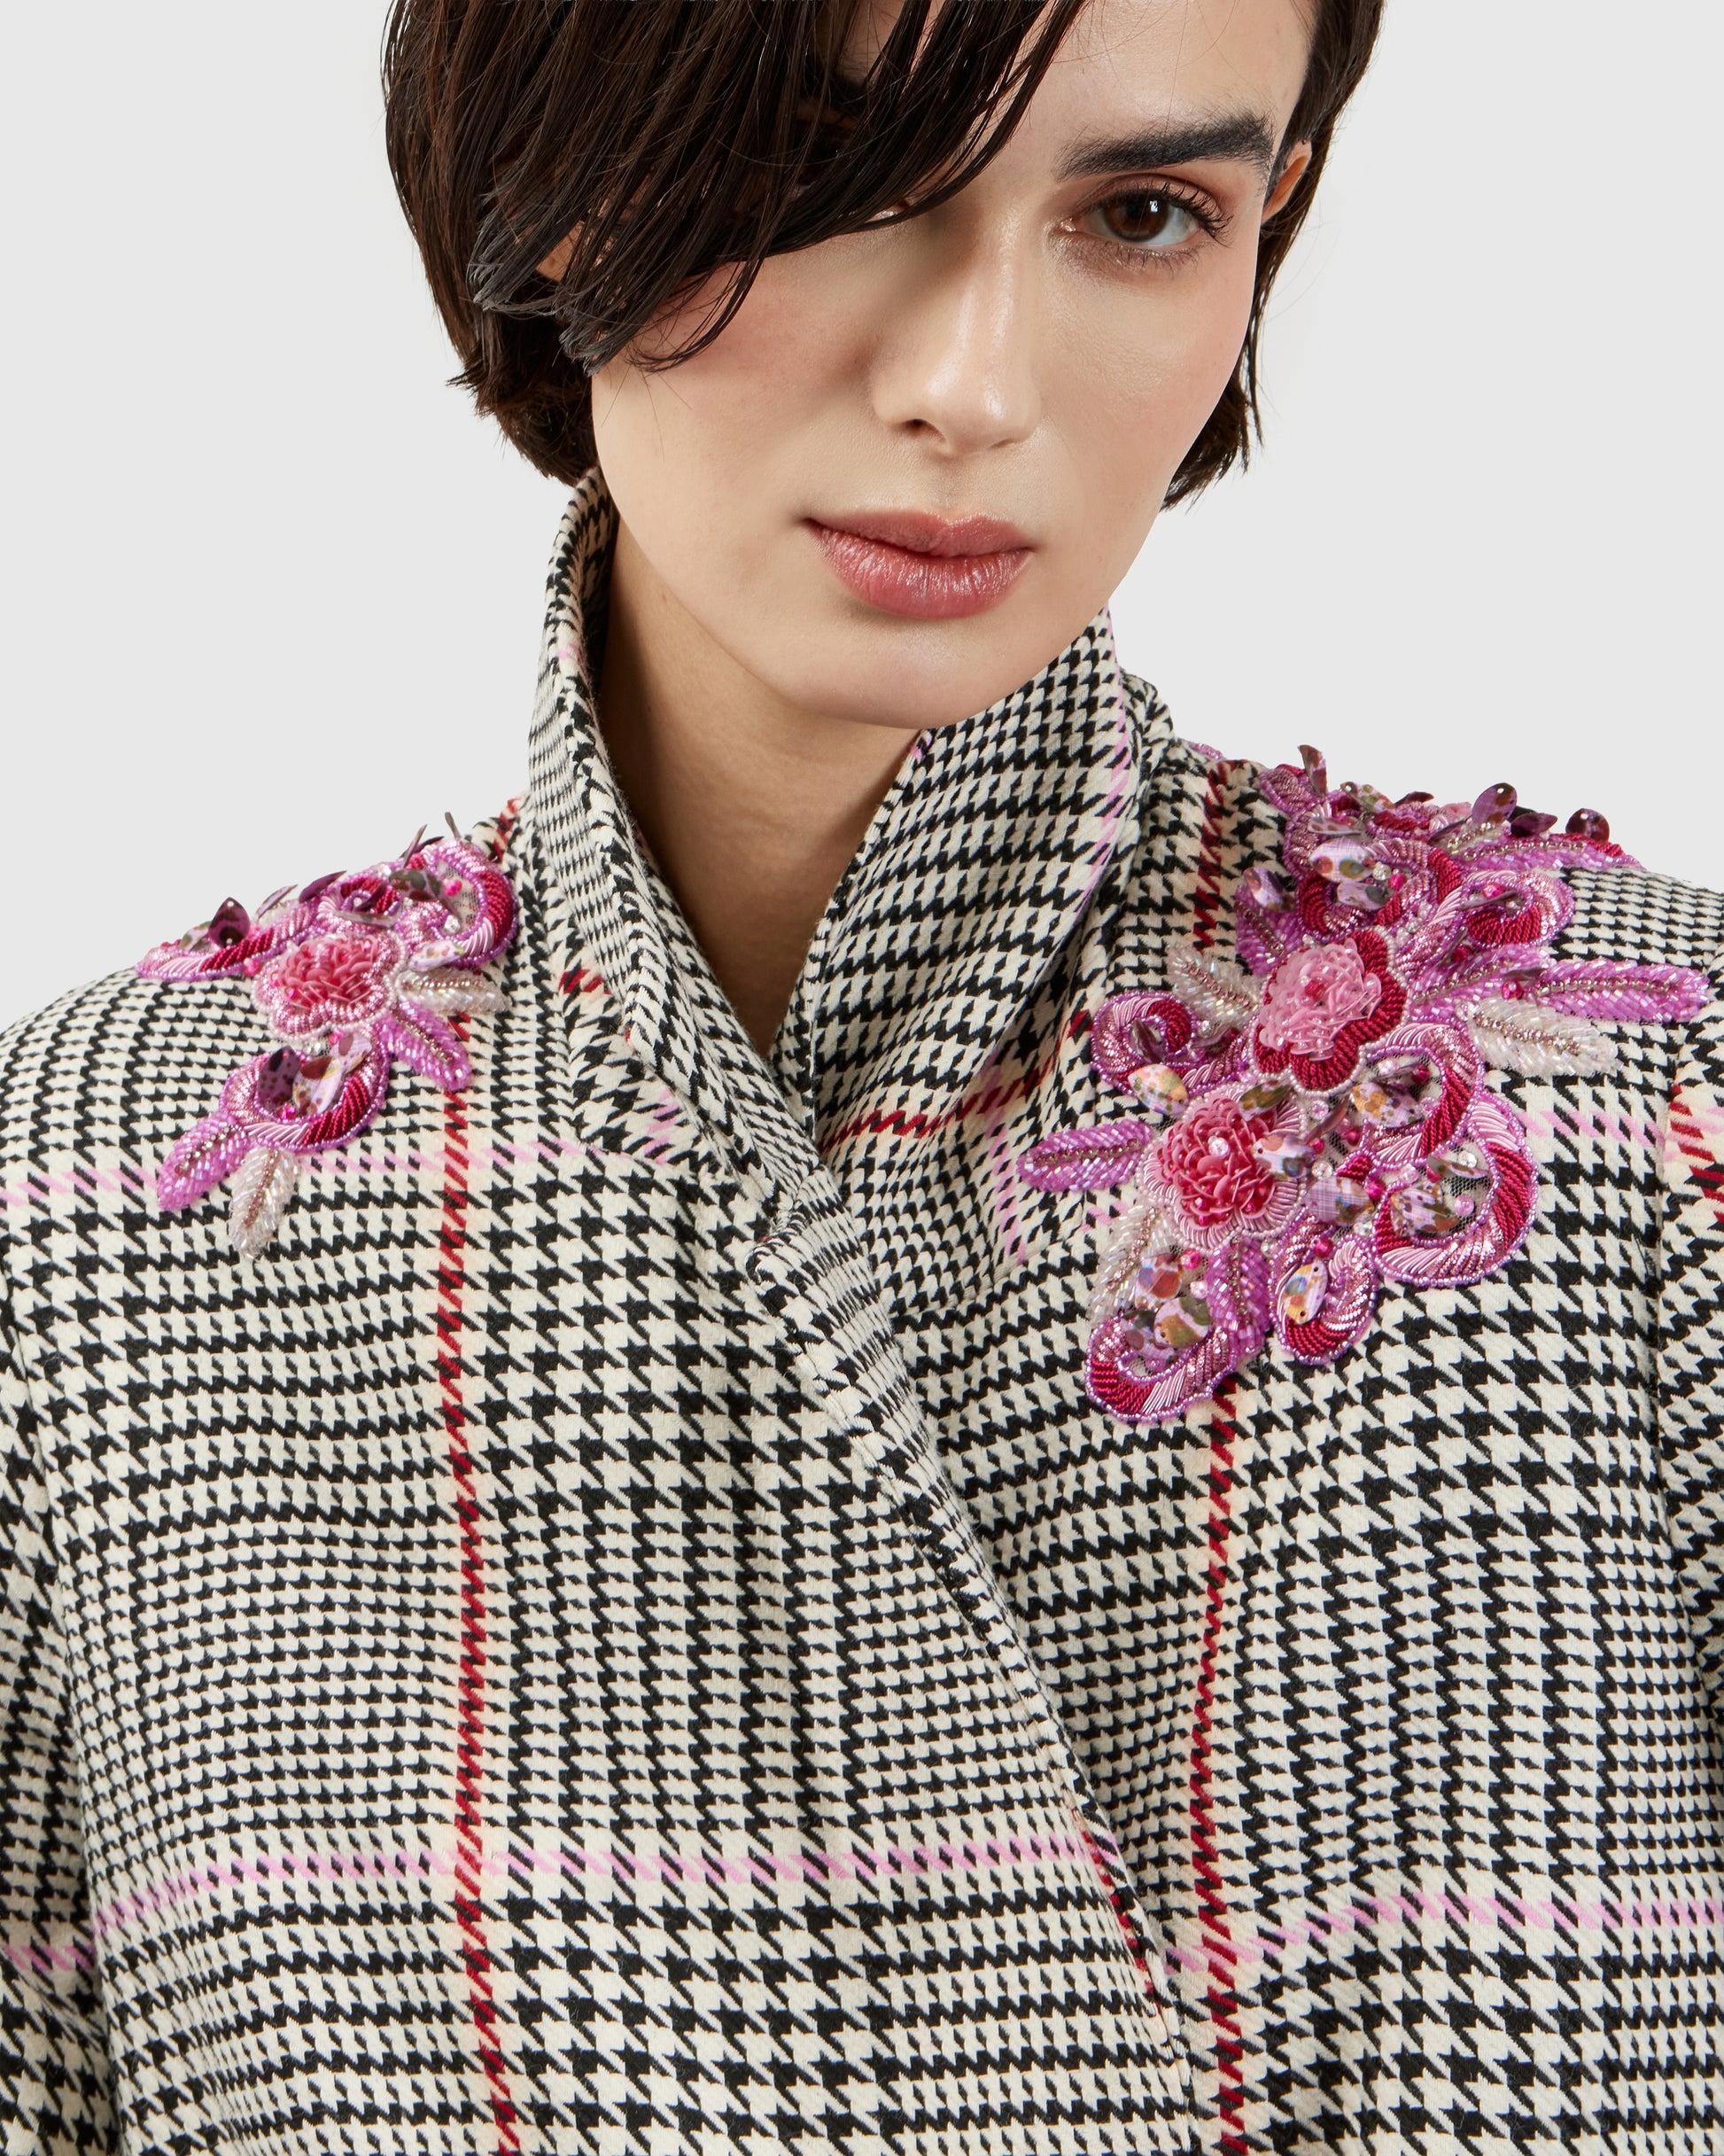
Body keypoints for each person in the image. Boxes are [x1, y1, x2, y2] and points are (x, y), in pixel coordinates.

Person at [2, 1, 1720, 2149]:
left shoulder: (1633, 1105)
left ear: (1267, 223)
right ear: (555, 177)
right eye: (830, 177)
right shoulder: (101, 1207)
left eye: (1142, 214)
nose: (975, 386)